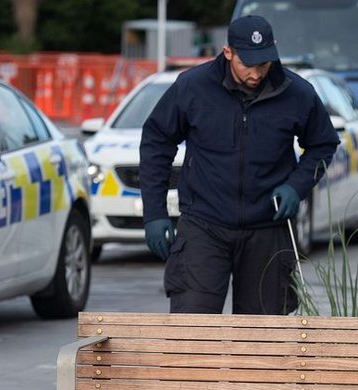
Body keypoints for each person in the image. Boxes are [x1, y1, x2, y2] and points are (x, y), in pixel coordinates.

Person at [139, 15, 340, 315]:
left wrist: (295, 187)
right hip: (203, 225)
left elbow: (323, 144)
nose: (257, 73)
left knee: (262, 340)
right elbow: (156, 141)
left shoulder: (296, 93)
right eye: (249, 64)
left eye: (264, 63)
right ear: (228, 52)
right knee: (193, 329)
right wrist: (154, 213)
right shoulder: (193, 87)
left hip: (267, 228)